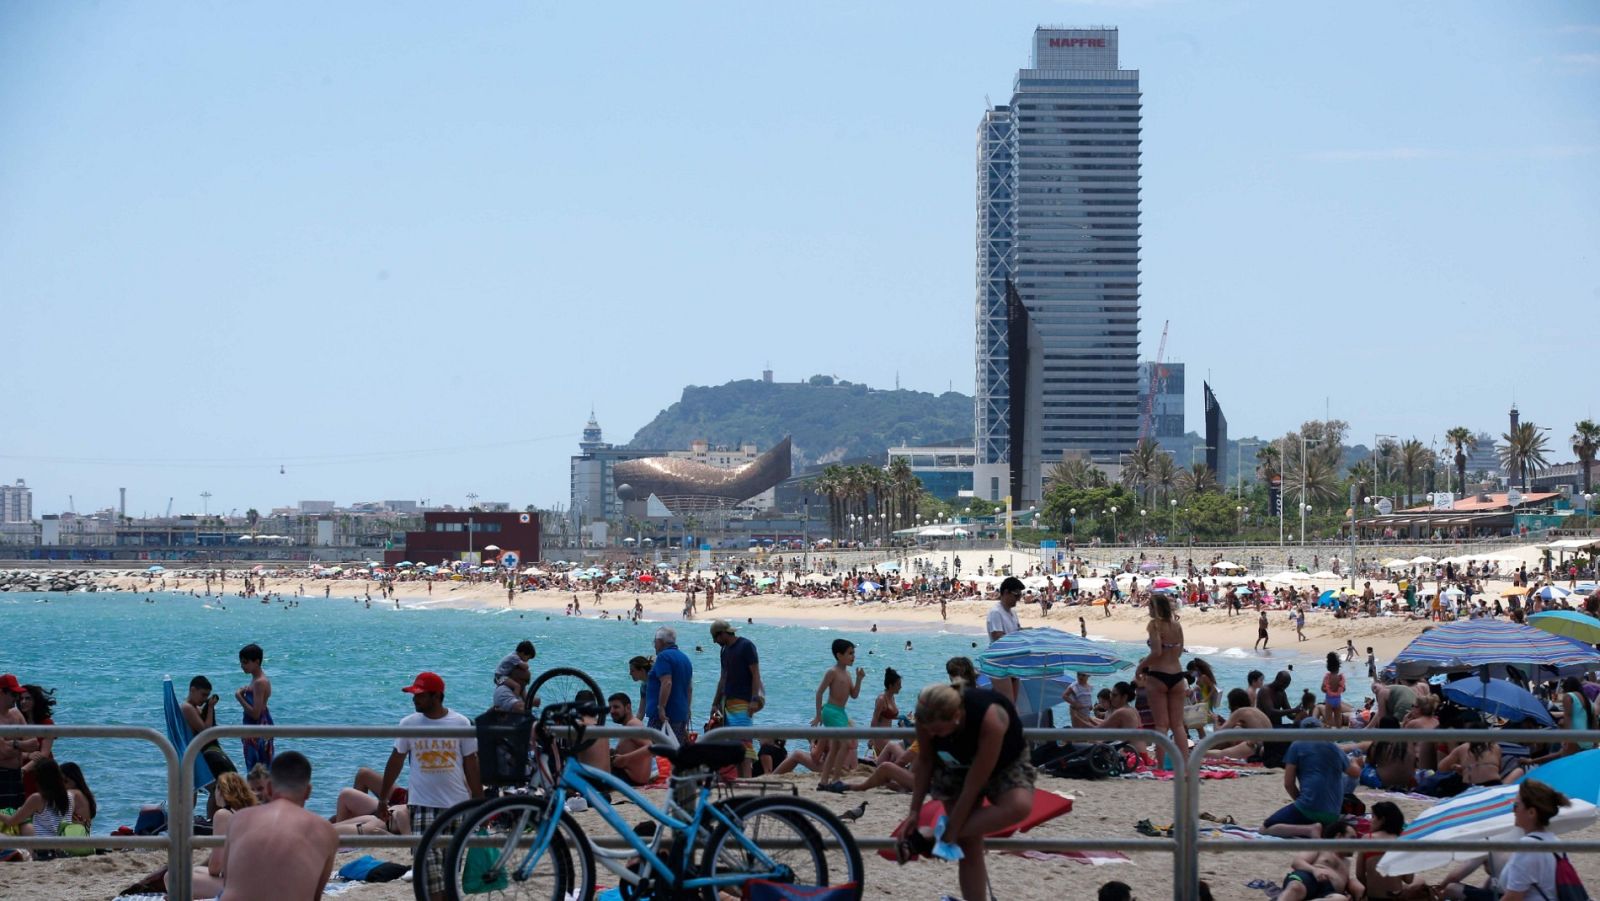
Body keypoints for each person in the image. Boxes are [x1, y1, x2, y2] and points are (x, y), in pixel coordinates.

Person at [900, 682, 1035, 901]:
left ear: (956, 716)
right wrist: (914, 812)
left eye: (937, 730)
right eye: (928, 731)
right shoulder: (926, 716)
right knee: (969, 843)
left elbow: (975, 782)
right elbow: (925, 761)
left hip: (1003, 760)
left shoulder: (990, 718)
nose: (932, 735)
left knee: (1019, 806)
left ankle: (930, 836)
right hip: (951, 763)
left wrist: (952, 830)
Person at [376, 672, 481, 901]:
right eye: (414, 695)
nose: (414, 699)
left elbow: (471, 765)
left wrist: (479, 801)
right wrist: (383, 799)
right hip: (422, 807)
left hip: (456, 807)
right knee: (429, 874)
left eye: (420, 695)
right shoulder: (408, 724)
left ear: (436, 696)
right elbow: (396, 760)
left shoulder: (461, 723)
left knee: (449, 876)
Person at [218, 751, 339, 901]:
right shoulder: (325, 830)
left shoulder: (237, 819)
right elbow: (315, 896)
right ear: (308, 792)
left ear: (269, 788)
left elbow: (227, 880)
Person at [1264, 719, 1356, 839]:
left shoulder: (1297, 745)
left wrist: (1299, 801)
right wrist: (1355, 762)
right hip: (1332, 814)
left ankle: (1309, 830)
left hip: (1308, 807)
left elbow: (1288, 784)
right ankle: (1315, 827)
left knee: (1265, 828)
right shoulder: (1333, 746)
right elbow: (1354, 773)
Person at [1498, 779, 1576, 901]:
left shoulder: (1528, 846)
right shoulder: (1553, 841)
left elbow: (1513, 898)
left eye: (1516, 806)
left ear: (1531, 812)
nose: (1513, 810)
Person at [709, 619, 765, 778]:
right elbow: (723, 677)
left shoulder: (746, 646)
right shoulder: (724, 651)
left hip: (743, 701)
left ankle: (747, 778)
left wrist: (754, 699)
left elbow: (755, 673)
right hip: (727, 703)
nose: (715, 642)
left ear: (723, 634)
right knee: (734, 745)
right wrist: (715, 703)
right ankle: (740, 779)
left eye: (715, 637)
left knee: (745, 744)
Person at [190, 772, 259, 899]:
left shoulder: (223, 814)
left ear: (221, 791)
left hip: (243, 889)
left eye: (216, 788)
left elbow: (216, 866)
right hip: (259, 883)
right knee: (194, 871)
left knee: (172, 877)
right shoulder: (249, 814)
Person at [812, 638, 865, 790]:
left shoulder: (848, 675)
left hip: (841, 712)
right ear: (839, 655)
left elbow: (854, 695)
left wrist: (859, 679)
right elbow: (819, 692)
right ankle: (835, 780)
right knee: (846, 743)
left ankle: (823, 782)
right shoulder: (832, 672)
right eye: (849, 653)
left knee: (835, 748)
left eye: (853, 653)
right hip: (830, 711)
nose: (853, 656)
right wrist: (818, 715)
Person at [1143, 593, 1189, 760]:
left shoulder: (1154, 625)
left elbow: (1156, 652)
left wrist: (1141, 667)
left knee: (1161, 725)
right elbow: (1179, 651)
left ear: (1155, 608)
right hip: (1177, 675)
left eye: (1150, 606)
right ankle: (1184, 764)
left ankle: (1160, 765)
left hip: (1158, 675)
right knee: (1177, 725)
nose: (1148, 609)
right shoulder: (1177, 625)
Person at [1277, 818, 1363, 901]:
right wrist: (1314, 870)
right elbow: (1297, 862)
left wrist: (1352, 890)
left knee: (1341, 899)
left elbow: (1345, 883)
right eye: (1352, 838)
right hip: (1309, 879)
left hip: (1328, 893)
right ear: (1338, 836)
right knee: (1295, 887)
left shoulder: (1347, 862)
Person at [1356, 801, 1419, 901]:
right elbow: (1408, 879)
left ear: (1382, 820)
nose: (1370, 821)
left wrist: (1370, 888)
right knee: (1420, 880)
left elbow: (1359, 874)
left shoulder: (1367, 839)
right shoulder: (1403, 842)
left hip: (1373, 896)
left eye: (1373, 817)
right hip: (1395, 897)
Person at [646, 627, 693, 747]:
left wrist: (661, 707)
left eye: (655, 642)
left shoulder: (663, 657)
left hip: (663, 716)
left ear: (661, 642)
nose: (654, 645)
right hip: (680, 714)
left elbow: (667, 682)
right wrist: (687, 709)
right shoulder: (684, 658)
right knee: (674, 753)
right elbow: (689, 688)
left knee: (656, 754)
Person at [235, 643, 275, 770]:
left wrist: (239, 697)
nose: (242, 666)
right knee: (258, 768)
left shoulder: (259, 682)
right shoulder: (256, 680)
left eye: (245, 662)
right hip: (256, 727)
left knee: (258, 769)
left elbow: (256, 713)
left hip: (258, 727)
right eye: (241, 663)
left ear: (257, 661)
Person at [1204, 688, 1273, 760]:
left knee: (1220, 754)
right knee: (1235, 731)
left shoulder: (1240, 711)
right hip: (1270, 748)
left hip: (1254, 747)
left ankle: (1197, 752)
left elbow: (1218, 734)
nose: (1228, 707)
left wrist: (1215, 720)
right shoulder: (1255, 710)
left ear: (1234, 705)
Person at [987, 577, 1024, 702]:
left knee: (1012, 703)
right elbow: (998, 637)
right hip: (999, 663)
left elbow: (1017, 631)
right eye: (1016, 595)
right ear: (1006, 592)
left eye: (1020, 595)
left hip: (1013, 662)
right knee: (1007, 704)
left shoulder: (1013, 613)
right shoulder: (996, 612)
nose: (1018, 599)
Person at [607, 693, 653, 786]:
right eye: (610, 708)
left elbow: (650, 747)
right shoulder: (629, 725)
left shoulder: (633, 724)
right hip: (626, 776)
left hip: (629, 779)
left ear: (628, 707)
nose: (611, 711)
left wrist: (624, 759)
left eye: (616, 707)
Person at [0, 674, 32, 809]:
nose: (17, 698)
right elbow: (3, 752)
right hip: (1, 775)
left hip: (17, 775)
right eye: (13, 694)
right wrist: (20, 745)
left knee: (18, 820)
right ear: (2, 692)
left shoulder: (16, 714)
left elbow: (33, 744)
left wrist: (12, 744)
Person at [870, 668, 903, 757]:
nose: (900, 687)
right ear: (891, 685)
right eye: (898, 684)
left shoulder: (892, 698)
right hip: (880, 737)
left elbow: (890, 716)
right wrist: (871, 738)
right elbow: (875, 719)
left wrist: (903, 717)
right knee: (898, 754)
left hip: (888, 737)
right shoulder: (881, 699)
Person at [1321, 653, 1347, 727]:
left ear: (1328, 667)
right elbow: (1344, 689)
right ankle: (1339, 734)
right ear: (1338, 667)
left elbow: (1322, 689)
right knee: (1338, 718)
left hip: (1329, 700)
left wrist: (1327, 689)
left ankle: (1330, 735)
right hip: (1337, 700)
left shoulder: (1327, 677)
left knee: (1328, 719)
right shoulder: (1340, 678)